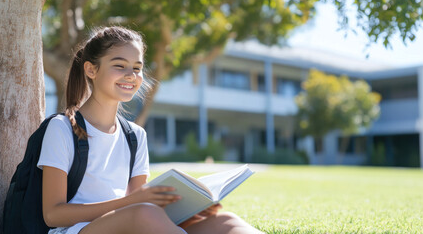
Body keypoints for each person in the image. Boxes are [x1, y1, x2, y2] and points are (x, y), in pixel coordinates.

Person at [38, 26, 263, 234]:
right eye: (119, 65)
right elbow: (53, 214)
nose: (131, 75)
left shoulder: (135, 135)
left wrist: (187, 210)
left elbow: (141, 205)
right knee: (144, 213)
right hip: (77, 230)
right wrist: (132, 204)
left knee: (226, 222)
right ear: (91, 70)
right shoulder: (62, 128)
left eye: (137, 68)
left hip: (133, 222)